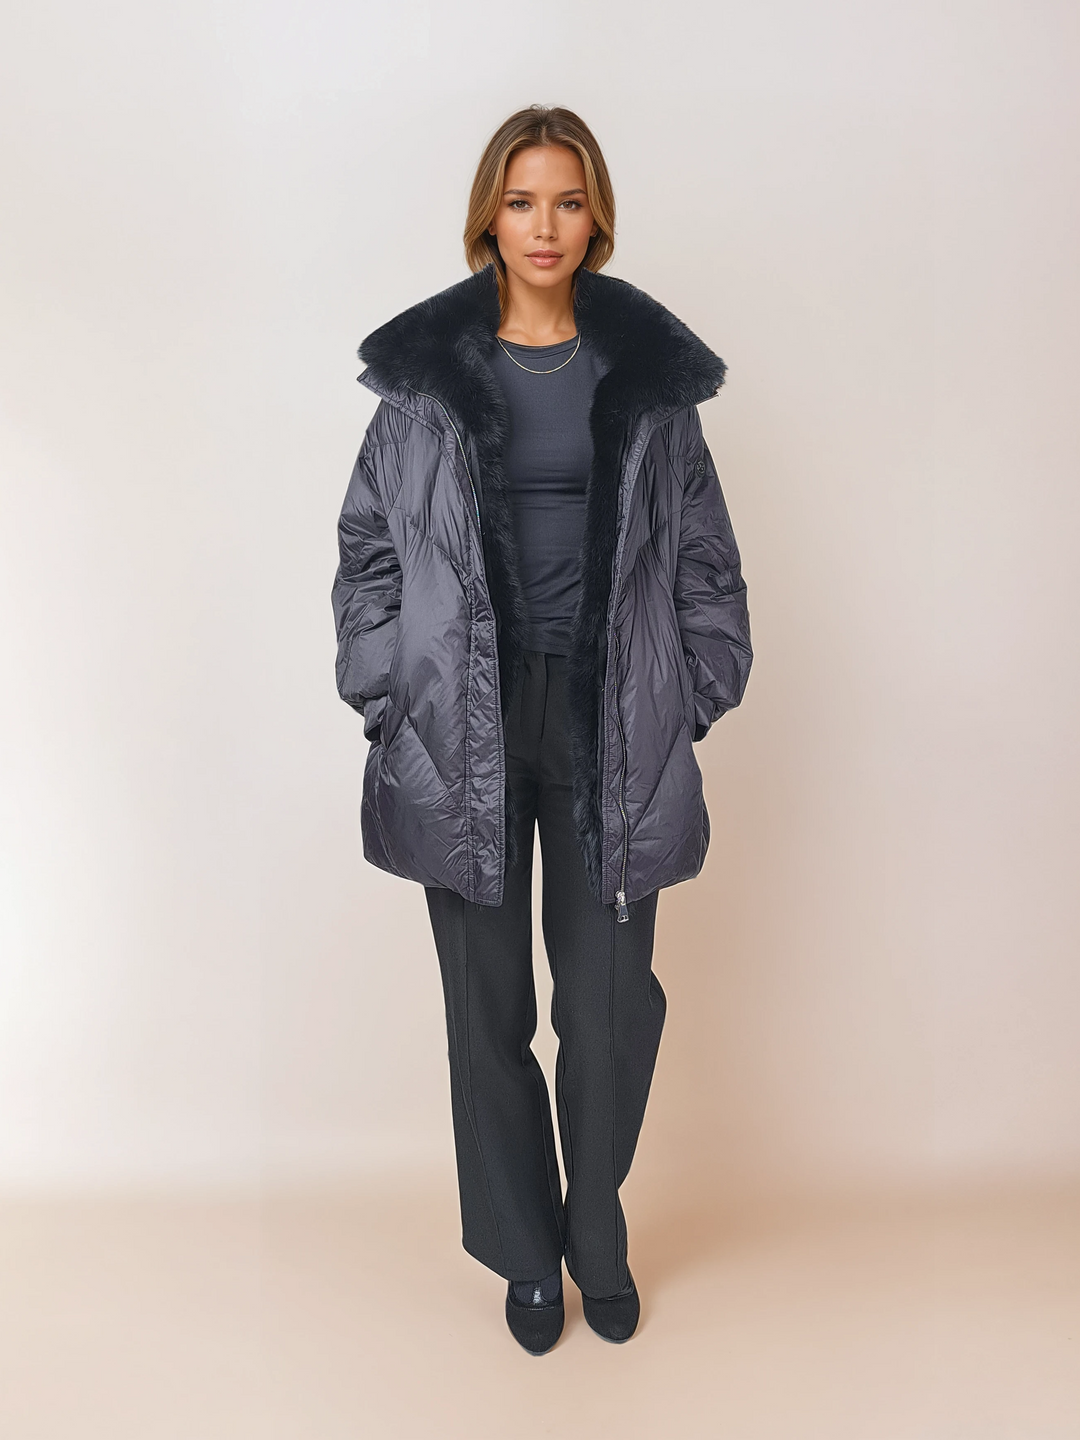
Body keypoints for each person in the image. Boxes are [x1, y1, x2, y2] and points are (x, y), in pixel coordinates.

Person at [331, 105, 753, 1354]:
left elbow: (707, 561)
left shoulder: (648, 383)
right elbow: (367, 552)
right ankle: (526, 1256)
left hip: (611, 709)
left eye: (567, 201)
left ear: (595, 215)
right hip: (459, 716)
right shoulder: (421, 386)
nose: (545, 226)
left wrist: (692, 690)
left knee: (608, 1003)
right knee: (489, 1010)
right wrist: (388, 692)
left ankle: (596, 1231)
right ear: (490, 217)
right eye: (522, 201)